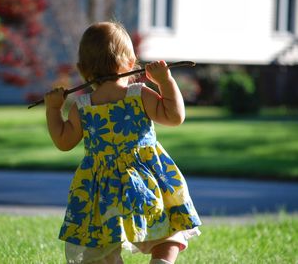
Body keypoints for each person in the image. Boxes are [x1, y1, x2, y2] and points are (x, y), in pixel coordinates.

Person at [44, 21, 201, 264]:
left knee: (103, 243)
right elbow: (174, 116)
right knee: (167, 232)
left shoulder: (82, 107)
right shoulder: (139, 95)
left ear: (82, 69)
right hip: (144, 180)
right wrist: (165, 81)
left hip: (101, 188)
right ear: (131, 63)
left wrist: (53, 110)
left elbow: (64, 141)